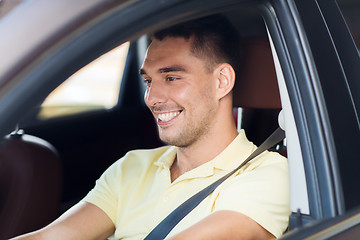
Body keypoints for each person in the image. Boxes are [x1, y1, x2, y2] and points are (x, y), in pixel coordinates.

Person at [12, 15, 289, 240]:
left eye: (171, 77)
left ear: (222, 81)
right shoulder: (132, 166)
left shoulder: (266, 174)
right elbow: (53, 237)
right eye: (148, 81)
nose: (152, 98)